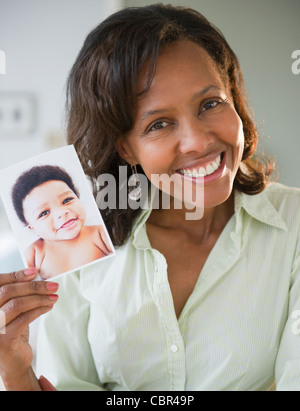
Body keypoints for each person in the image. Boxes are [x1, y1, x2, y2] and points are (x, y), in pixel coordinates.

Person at [0, 4, 299, 391]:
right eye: (159, 124)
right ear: (125, 148)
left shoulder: (292, 225)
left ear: (235, 99)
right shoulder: (80, 249)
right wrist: (14, 371)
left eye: (210, 103)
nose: (198, 141)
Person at [11, 165, 112, 279]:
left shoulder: (99, 234)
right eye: (44, 213)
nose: (61, 213)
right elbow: (22, 281)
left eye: (67, 200)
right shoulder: (35, 252)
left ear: (78, 197)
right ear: (32, 228)